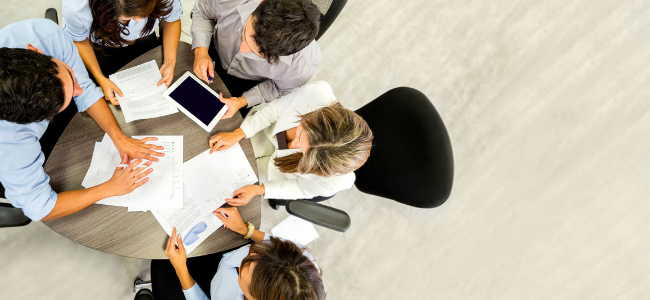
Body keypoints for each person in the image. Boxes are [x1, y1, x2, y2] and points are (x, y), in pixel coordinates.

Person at [0, 19, 162, 221]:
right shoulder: (11, 143)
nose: (80, 89)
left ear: (36, 52)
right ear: (40, 119)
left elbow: (85, 91)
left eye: (70, 76)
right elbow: (39, 208)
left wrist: (119, 138)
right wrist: (109, 188)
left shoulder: (43, 34)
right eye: (67, 99)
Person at [207, 81, 373, 206]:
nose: (292, 145)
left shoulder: (337, 180)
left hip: (277, 171)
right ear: (313, 116)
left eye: (303, 151)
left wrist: (259, 190)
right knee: (214, 154)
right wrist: (239, 133)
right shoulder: (318, 92)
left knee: (223, 183)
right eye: (300, 134)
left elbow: (300, 189)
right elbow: (273, 110)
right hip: (265, 133)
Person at [158, 206, 325, 300]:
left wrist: (180, 268)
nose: (248, 254)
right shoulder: (304, 263)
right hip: (222, 256)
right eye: (256, 253)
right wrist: (246, 229)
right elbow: (273, 241)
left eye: (249, 265)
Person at [191, 0, 322, 119]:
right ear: (261, 3)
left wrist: (242, 101)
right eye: (245, 34)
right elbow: (202, 12)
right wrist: (201, 50)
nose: (242, 49)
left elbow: (278, 88)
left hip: (244, 86)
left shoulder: (301, 66)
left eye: (257, 53)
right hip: (210, 49)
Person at [63, 0, 183, 104]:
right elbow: (79, 40)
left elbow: (172, 20)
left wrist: (169, 63)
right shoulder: (76, 7)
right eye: (128, 15)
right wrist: (101, 79)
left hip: (143, 39)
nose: (139, 19)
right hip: (100, 46)